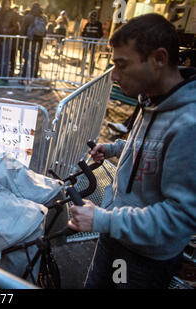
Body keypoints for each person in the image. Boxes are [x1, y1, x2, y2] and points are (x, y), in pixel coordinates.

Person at [69, 14, 196, 289]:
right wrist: (116, 148)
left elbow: (180, 216)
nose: (114, 76)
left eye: (121, 65)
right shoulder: (152, 100)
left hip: (141, 258)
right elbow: (153, 151)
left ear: (159, 59)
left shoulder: (189, 124)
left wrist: (103, 219)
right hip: (116, 236)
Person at [20, 3, 47, 83]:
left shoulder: (28, 17)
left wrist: (21, 43)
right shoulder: (43, 18)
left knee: (27, 59)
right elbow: (44, 32)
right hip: (39, 41)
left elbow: (22, 30)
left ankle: (24, 78)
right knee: (36, 59)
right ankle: (33, 77)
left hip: (29, 41)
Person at [0, 0, 19, 85]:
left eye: (9, 3)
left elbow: (16, 27)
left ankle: (4, 79)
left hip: (7, 38)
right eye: (6, 3)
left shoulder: (12, 13)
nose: (7, 5)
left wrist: (7, 31)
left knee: (5, 59)